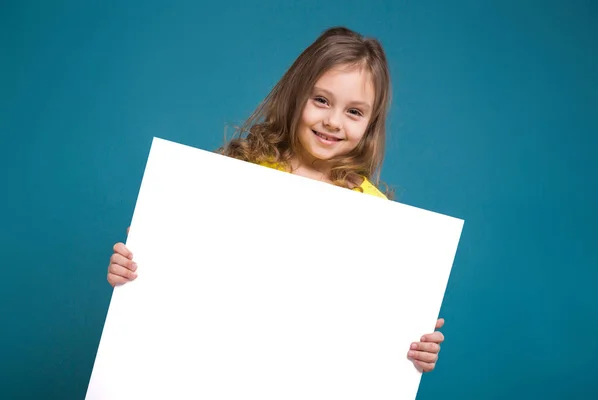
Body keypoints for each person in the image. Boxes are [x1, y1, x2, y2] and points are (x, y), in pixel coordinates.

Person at [106, 26, 446, 373]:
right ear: (297, 94)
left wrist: (413, 345)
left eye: (354, 112)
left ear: (370, 124)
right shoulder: (236, 174)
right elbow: (187, 276)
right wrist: (138, 267)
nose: (332, 121)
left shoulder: (376, 215)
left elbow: (372, 319)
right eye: (321, 100)